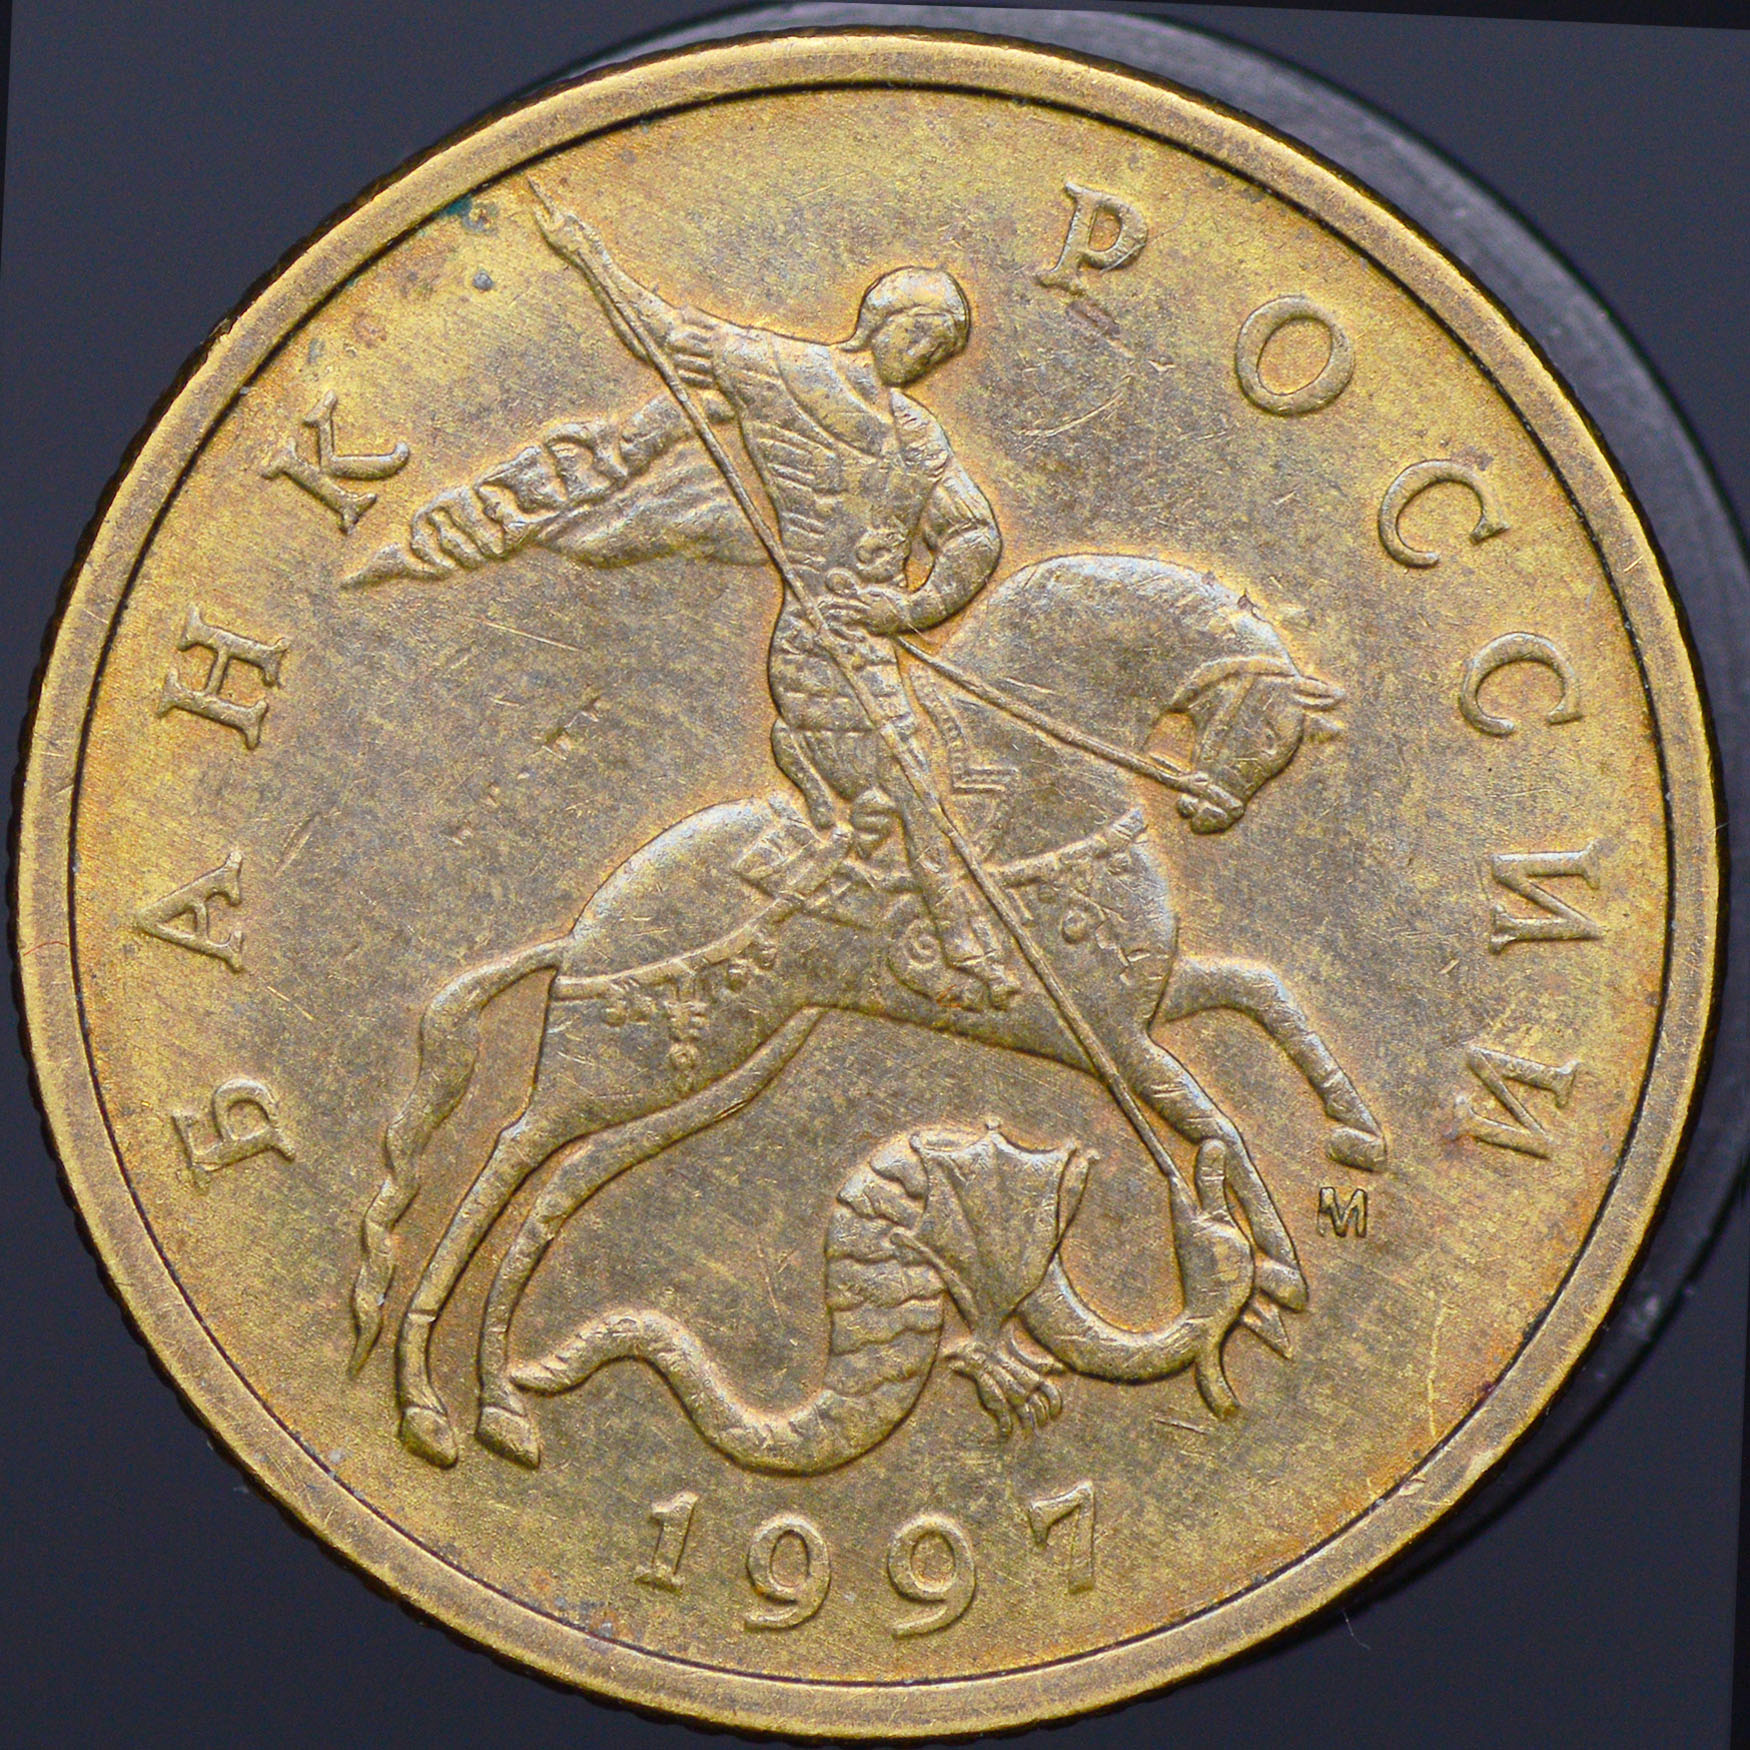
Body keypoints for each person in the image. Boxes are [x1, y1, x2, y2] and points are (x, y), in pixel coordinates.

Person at [537, 203, 1019, 1009]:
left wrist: (913, 607)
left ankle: (869, 885)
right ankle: (961, 948)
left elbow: (973, 532)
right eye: (926, 338)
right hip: (817, 645)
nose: (929, 359)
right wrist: (590, 257)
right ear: (886, 321)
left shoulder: (916, 433)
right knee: (912, 784)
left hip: (875, 639)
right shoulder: (783, 372)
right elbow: (665, 336)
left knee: (951, 772)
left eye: (942, 352)